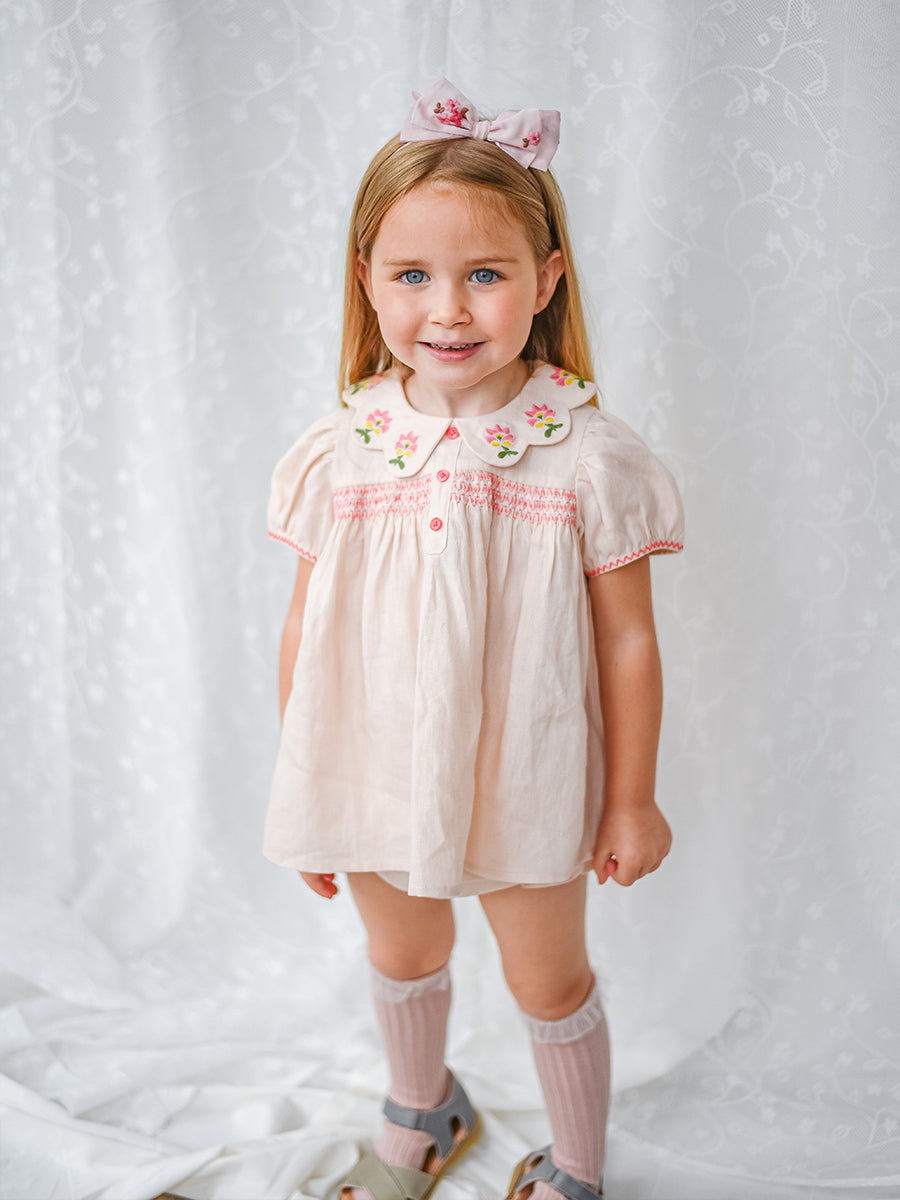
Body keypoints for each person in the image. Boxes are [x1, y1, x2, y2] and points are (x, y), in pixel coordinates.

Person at [265, 78, 684, 1200]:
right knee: (403, 951)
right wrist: (305, 779)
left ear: (546, 281)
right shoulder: (343, 447)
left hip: (526, 774)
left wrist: (633, 800)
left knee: (547, 979)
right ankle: (421, 1109)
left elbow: (628, 644)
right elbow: (306, 620)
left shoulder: (585, 454)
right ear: (365, 277)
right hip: (371, 761)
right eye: (413, 275)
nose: (447, 310)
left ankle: (579, 1165)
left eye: (485, 275)